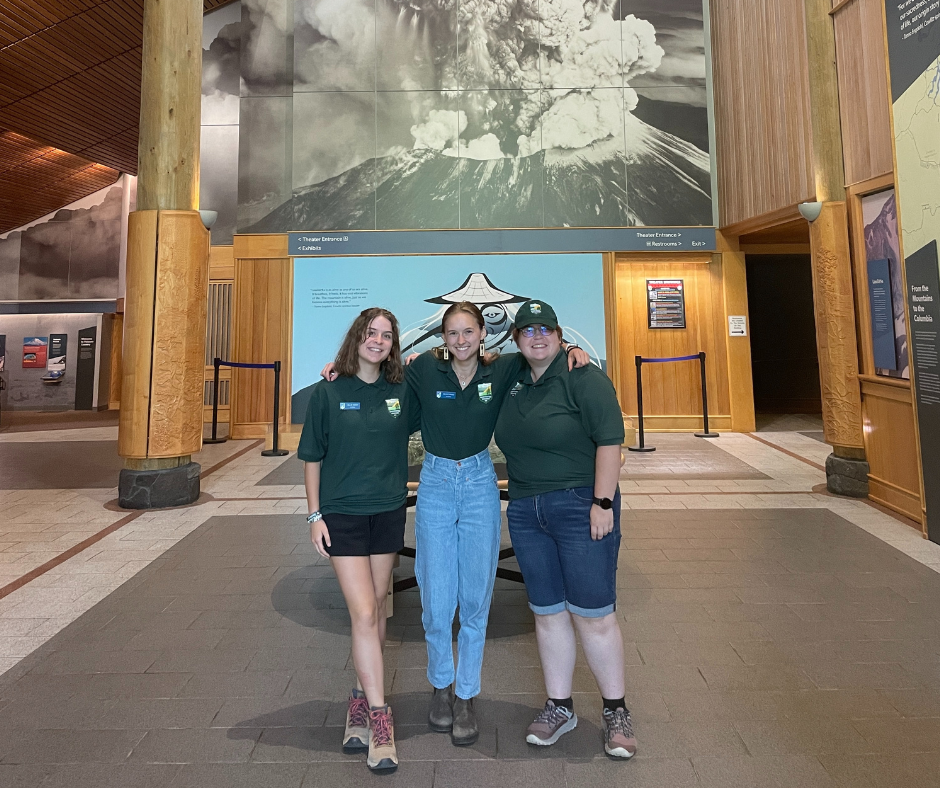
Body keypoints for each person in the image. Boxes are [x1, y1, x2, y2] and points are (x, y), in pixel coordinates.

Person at [321, 301, 590, 746]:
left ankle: (466, 695)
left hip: (480, 481)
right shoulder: (425, 370)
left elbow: (542, 354)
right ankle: (440, 687)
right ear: (442, 339)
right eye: (453, 334)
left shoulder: (502, 370)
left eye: (469, 332)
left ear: (483, 333)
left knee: (475, 595)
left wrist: (573, 350)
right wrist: (339, 369)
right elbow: (374, 375)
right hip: (438, 483)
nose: (461, 341)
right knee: (437, 594)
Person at [494, 299, 637, 760]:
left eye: (547, 330)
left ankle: (616, 710)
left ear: (559, 335)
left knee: (594, 615)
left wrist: (601, 502)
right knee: (548, 612)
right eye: (528, 330)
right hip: (526, 511)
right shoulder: (512, 377)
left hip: (581, 507)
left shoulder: (584, 377)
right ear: (516, 339)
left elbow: (610, 441)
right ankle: (560, 706)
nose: (538, 337)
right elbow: (459, 356)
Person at [299, 307, 419, 774]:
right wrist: (315, 515)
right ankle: (381, 719)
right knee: (365, 611)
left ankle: (358, 700)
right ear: (357, 338)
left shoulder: (401, 391)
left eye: (387, 335)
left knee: (378, 607)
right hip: (342, 516)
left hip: (387, 511)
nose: (379, 341)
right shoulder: (329, 391)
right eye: (371, 333)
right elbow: (312, 458)